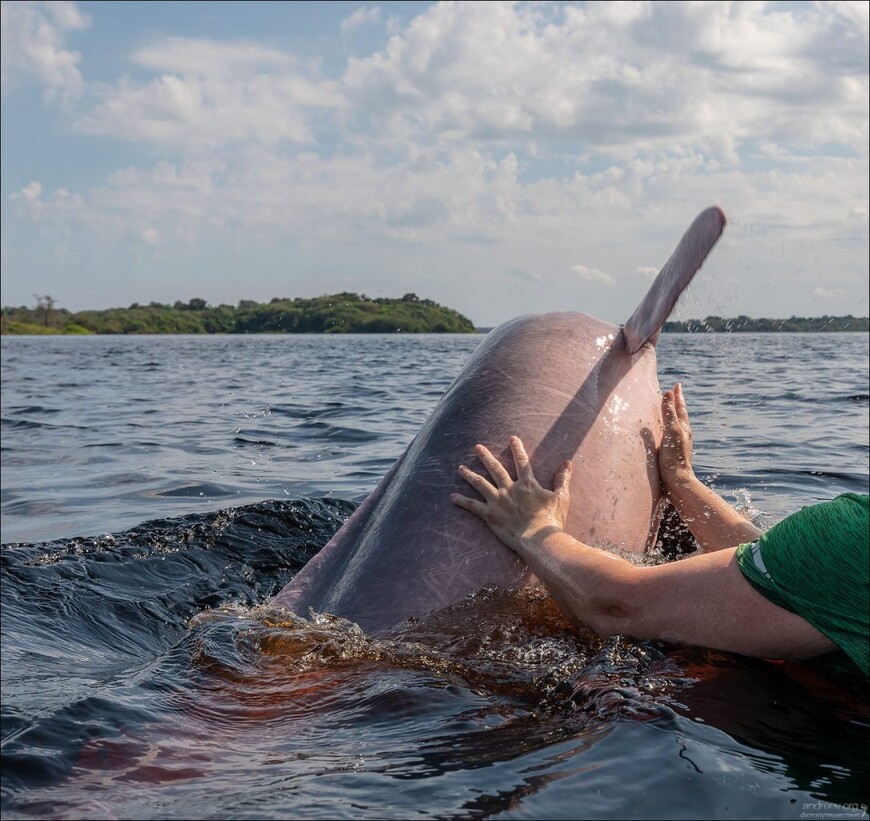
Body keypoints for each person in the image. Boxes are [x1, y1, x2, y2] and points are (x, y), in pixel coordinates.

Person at [451, 383, 869, 675]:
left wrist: (534, 528)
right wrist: (683, 480)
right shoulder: (844, 549)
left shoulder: (852, 536)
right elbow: (795, 585)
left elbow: (618, 608)